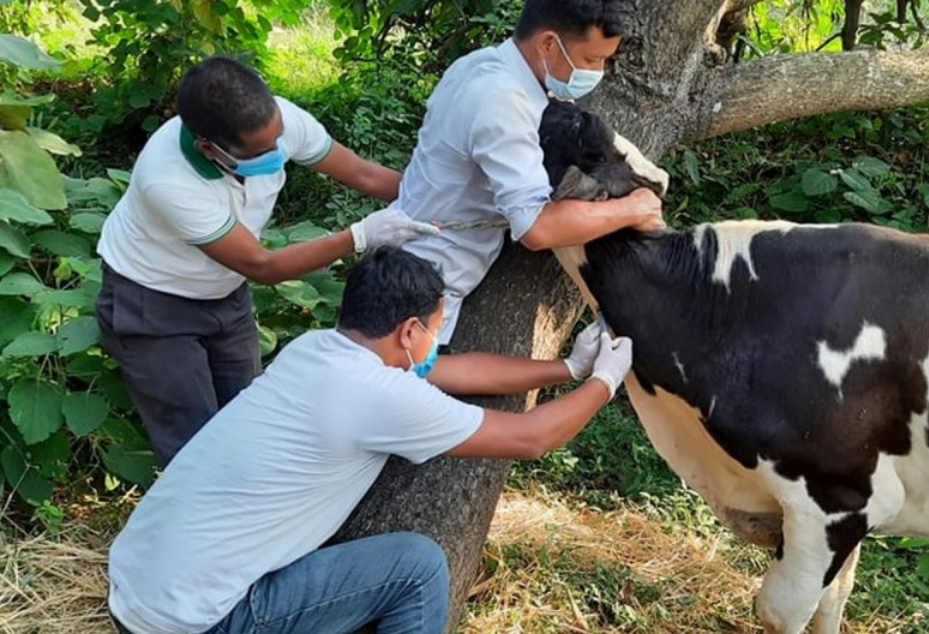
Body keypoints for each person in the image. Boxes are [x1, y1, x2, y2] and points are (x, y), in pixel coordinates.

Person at [107, 245, 633, 634]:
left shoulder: (315, 350)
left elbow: (459, 372)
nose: (435, 343)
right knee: (417, 566)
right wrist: (604, 382)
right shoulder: (379, 396)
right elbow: (531, 437)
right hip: (197, 621)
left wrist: (567, 366)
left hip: (135, 588)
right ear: (409, 331)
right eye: (434, 329)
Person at [95, 56, 438, 467]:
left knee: (249, 415)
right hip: (154, 304)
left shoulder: (276, 120)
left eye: (279, 138)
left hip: (224, 293)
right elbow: (263, 266)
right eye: (262, 150)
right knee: (193, 445)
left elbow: (362, 175)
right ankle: (204, 526)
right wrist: (360, 236)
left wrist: (433, 201)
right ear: (209, 147)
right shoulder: (167, 179)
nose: (278, 151)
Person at [398, 0, 665, 348]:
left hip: (416, 259)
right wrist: (635, 209)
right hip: (425, 287)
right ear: (549, 44)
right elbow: (535, 228)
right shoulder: (501, 101)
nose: (597, 72)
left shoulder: (480, 65)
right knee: (401, 389)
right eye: (591, 60)